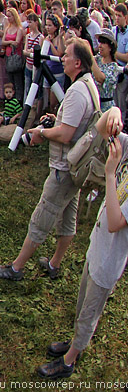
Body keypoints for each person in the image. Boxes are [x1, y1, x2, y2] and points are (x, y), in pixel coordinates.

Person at [35, 106, 128, 379]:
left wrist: (110, 173)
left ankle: (70, 360)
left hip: (109, 262)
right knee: (82, 304)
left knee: (90, 312)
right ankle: (76, 342)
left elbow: (114, 222)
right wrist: (115, 112)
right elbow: (103, 127)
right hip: (97, 249)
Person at [0, 39, 97, 281]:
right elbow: (74, 125)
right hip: (75, 168)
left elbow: (66, 134)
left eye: (68, 55)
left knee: (42, 217)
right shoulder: (88, 85)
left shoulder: (76, 92)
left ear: (78, 62)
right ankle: (54, 264)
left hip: (64, 168)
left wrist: (41, 133)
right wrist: (56, 119)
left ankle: (16, 269)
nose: (63, 58)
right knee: (68, 218)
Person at [92, 31, 120, 111]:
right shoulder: (97, 59)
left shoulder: (113, 67)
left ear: (110, 47)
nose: (100, 46)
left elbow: (100, 78)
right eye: (99, 42)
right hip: (94, 104)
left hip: (106, 108)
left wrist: (90, 57)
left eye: (103, 43)